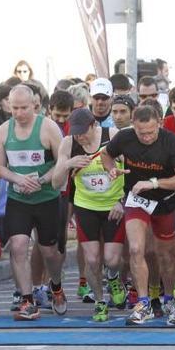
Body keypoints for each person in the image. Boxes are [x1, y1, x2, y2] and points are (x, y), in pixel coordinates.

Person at [101, 105, 175, 326]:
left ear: (160, 124)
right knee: (135, 248)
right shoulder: (125, 137)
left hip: (164, 202)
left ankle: (169, 299)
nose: (146, 137)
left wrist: (153, 182)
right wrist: (111, 169)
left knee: (165, 256)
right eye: (141, 132)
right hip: (136, 200)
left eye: (151, 132)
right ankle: (143, 303)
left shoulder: (172, 142)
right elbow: (106, 154)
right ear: (133, 126)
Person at [0, 85, 65, 320]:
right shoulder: (4, 131)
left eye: (23, 108)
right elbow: (1, 167)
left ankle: (55, 285)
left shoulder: (48, 127)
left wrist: (42, 179)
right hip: (18, 199)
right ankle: (27, 299)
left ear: (34, 106)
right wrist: (17, 178)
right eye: (14, 108)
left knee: (49, 252)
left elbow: (62, 161)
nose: (18, 113)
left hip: (46, 198)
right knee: (18, 247)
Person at [51, 108, 127, 322]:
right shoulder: (68, 143)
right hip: (86, 207)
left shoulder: (112, 136)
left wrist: (121, 201)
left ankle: (113, 277)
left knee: (112, 259)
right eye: (76, 133)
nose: (80, 137)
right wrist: (67, 164)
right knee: (92, 260)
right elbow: (56, 183)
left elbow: (131, 170)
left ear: (94, 125)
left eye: (83, 132)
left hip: (113, 205)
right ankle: (100, 301)